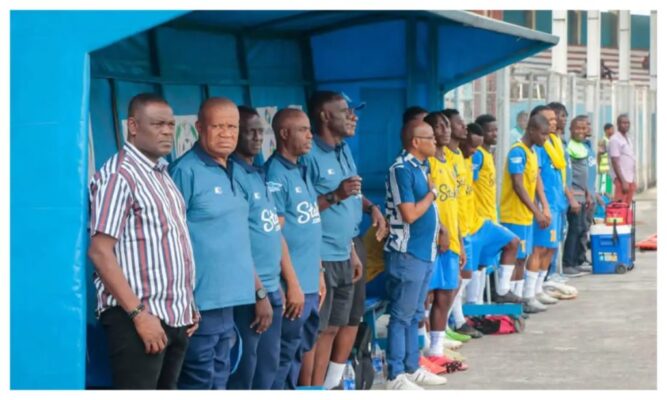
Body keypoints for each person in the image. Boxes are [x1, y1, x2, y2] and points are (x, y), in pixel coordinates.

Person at [88, 93, 198, 389]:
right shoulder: (119, 176)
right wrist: (138, 314)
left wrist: (187, 305)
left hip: (174, 317)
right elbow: (100, 252)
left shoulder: (162, 175)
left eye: (171, 125)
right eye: (158, 124)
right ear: (133, 127)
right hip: (137, 320)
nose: (167, 131)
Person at [300, 91, 387, 388]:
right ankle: (312, 388)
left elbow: (352, 192)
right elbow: (298, 209)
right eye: (347, 111)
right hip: (320, 254)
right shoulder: (309, 154)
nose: (354, 117)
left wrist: (371, 208)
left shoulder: (343, 150)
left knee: (342, 323)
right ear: (324, 116)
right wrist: (335, 195)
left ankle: (331, 385)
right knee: (320, 330)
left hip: (346, 247)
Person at [169, 98, 257, 389]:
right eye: (217, 126)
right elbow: (169, 237)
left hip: (230, 300)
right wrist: (183, 296)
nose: (226, 133)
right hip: (199, 303)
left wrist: (258, 288)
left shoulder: (237, 170)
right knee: (198, 380)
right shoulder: (185, 171)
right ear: (198, 128)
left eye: (232, 127)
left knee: (221, 376)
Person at [226, 106, 291, 389]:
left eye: (259, 131)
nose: (256, 137)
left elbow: (272, 230)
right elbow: (235, 241)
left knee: (269, 365)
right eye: (248, 131)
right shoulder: (233, 174)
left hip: (270, 284)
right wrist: (259, 292)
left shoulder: (257, 172)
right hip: (249, 291)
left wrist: (286, 283)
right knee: (246, 369)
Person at [384, 120, 449, 390]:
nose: (435, 142)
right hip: (407, 253)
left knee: (414, 314)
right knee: (401, 315)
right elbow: (409, 213)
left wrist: (441, 228)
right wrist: (433, 194)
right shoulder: (401, 170)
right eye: (430, 137)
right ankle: (395, 375)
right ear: (415, 142)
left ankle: (412, 366)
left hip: (425, 252)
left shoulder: (422, 167)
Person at [264, 108, 326, 390]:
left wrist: (320, 273)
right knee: (282, 357)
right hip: (292, 288)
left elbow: (310, 227)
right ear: (284, 134)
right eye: (303, 129)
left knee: (298, 352)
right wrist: (292, 284)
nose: (310, 135)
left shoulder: (300, 169)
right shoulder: (275, 174)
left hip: (311, 282)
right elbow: (274, 234)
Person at [423, 111, 466, 360]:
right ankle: (424, 345)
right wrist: (441, 229)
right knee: (427, 295)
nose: (445, 130)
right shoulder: (427, 162)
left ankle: (438, 348)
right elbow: (429, 201)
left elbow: (455, 203)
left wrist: (459, 239)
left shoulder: (449, 158)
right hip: (434, 240)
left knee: (447, 291)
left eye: (447, 125)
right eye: (438, 126)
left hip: (452, 240)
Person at [499, 114, 551, 311]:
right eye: (543, 134)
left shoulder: (531, 152)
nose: (545, 138)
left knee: (522, 258)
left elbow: (535, 181)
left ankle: (518, 300)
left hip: (525, 217)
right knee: (514, 257)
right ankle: (506, 296)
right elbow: (518, 185)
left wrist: (541, 209)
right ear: (531, 131)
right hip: (513, 215)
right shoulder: (517, 152)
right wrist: (537, 212)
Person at [469, 114, 521, 306]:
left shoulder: (488, 155)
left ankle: (477, 304)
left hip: (489, 217)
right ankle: (501, 291)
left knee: (482, 265)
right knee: (512, 243)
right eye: (490, 130)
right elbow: (469, 184)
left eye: (496, 129)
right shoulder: (478, 155)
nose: (494, 134)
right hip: (478, 219)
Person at [522, 105, 565, 313]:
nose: (553, 123)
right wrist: (542, 205)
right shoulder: (537, 147)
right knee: (539, 248)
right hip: (545, 204)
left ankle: (538, 288)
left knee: (550, 247)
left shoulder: (553, 143)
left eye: (554, 119)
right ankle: (529, 293)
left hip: (555, 203)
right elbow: (536, 178)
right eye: (548, 120)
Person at [562, 117, 594, 272]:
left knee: (581, 229)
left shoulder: (583, 146)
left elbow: (585, 173)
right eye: (577, 128)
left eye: (583, 128)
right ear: (570, 129)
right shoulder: (570, 147)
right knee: (574, 229)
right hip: (574, 195)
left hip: (583, 194)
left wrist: (588, 192)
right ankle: (569, 263)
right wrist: (572, 196)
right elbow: (568, 174)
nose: (581, 131)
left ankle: (577, 262)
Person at [609, 114, 637, 204]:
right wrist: (623, 181)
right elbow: (615, 161)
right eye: (623, 123)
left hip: (629, 179)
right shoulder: (615, 139)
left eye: (628, 123)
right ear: (618, 124)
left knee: (626, 207)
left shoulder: (628, 138)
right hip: (621, 180)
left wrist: (632, 180)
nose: (626, 125)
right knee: (619, 207)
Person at [597, 123, 615, 196]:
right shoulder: (603, 141)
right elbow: (599, 154)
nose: (613, 131)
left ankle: (607, 203)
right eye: (611, 129)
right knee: (603, 189)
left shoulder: (611, 140)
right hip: (604, 168)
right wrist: (599, 166)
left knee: (608, 189)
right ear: (606, 130)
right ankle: (603, 204)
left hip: (609, 168)